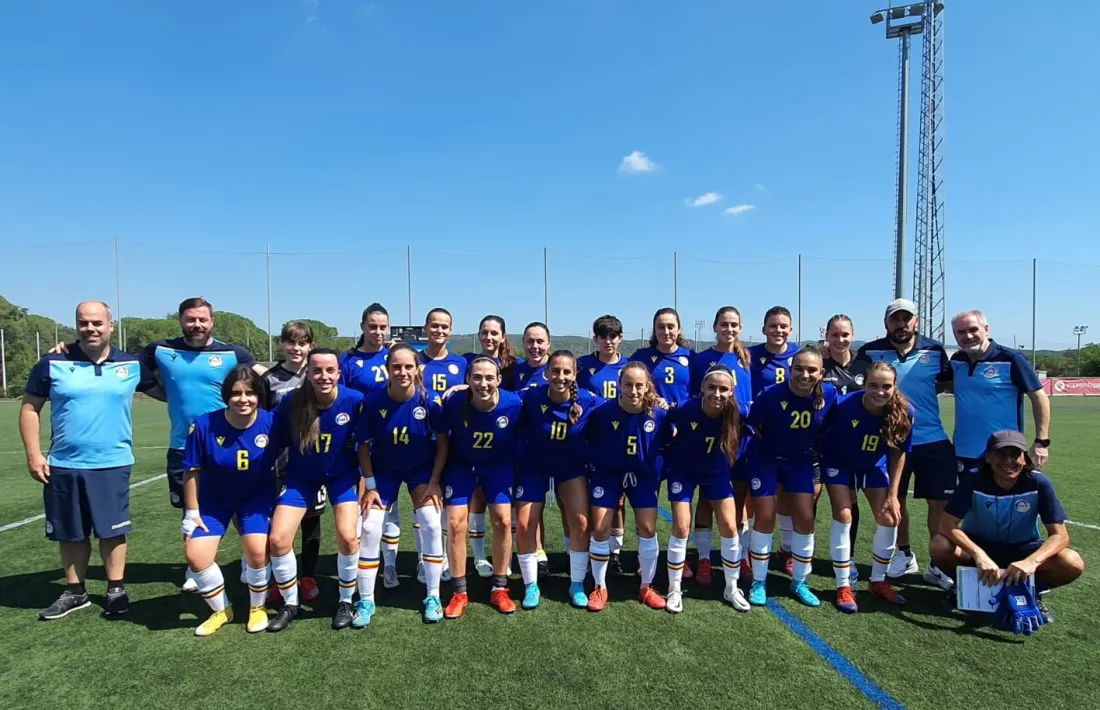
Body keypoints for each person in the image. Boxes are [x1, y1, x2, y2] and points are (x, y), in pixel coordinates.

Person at [20, 301, 157, 620]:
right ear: (76, 325)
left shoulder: (131, 364)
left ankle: (116, 589)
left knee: (112, 531)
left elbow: (171, 390)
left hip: (112, 462)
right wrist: (34, 454)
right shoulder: (52, 362)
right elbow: (29, 409)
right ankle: (75, 591)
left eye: (97, 323)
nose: (90, 328)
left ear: (111, 326)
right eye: (84, 323)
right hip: (64, 463)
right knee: (71, 531)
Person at [135, 298, 262, 592]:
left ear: (212, 322)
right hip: (183, 444)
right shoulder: (161, 350)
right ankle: (196, 568)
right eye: (191, 319)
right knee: (190, 509)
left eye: (203, 319)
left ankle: (249, 558)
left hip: (227, 445)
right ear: (180, 320)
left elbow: (263, 380)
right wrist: (69, 350)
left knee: (238, 505)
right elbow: (123, 364)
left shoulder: (233, 353)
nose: (197, 325)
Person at [853, 298, 956, 590]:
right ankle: (905, 554)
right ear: (886, 323)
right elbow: (854, 380)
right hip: (890, 441)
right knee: (894, 500)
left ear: (916, 321)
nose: (901, 324)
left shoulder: (935, 350)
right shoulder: (870, 351)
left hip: (932, 438)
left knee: (941, 504)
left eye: (906, 318)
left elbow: (946, 382)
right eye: (895, 319)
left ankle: (937, 565)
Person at [930, 430, 1084, 622]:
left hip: (1023, 549)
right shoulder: (973, 479)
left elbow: (1060, 535)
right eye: (1001, 454)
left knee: (1072, 562)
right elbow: (946, 524)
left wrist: (1031, 562)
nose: (1008, 461)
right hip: (979, 546)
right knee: (939, 545)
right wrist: (979, 555)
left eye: (1015, 454)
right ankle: (961, 588)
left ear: (1025, 458)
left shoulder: (1038, 483)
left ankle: (1032, 592)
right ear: (988, 457)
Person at [266, 349, 365, 633]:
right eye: (317, 370)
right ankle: (291, 603)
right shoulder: (292, 401)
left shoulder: (354, 400)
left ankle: (345, 600)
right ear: (307, 374)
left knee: (348, 536)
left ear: (339, 373)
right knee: (278, 539)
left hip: (341, 477)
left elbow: (368, 442)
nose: (323, 376)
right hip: (301, 478)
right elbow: (268, 431)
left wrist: (366, 482)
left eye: (329, 370)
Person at [181, 367, 281, 635]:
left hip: (256, 498)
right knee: (196, 555)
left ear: (259, 395)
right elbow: (191, 471)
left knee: (257, 551)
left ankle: (257, 608)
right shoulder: (204, 425)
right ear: (226, 395)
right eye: (236, 393)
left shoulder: (272, 422)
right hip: (215, 501)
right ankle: (221, 610)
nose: (243, 399)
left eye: (250, 393)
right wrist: (192, 512)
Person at [356, 344, 449, 625]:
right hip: (384, 470)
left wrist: (434, 482)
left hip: (421, 470)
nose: (403, 372)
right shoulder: (373, 401)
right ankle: (366, 600)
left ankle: (433, 595)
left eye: (409, 366)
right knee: (370, 526)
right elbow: (363, 445)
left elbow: (443, 444)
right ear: (387, 369)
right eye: (396, 367)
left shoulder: (429, 401)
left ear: (417, 369)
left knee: (431, 523)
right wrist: (370, 484)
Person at [744, 347, 838, 608]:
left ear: (821, 373)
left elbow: (831, 424)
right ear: (790, 369)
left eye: (811, 370)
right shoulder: (771, 395)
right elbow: (754, 424)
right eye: (799, 368)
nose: (804, 375)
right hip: (766, 459)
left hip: (800, 461)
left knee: (805, 516)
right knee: (765, 515)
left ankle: (800, 581)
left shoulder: (829, 394)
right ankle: (759, 581)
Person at [819, 362, 911, 613]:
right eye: (873, 385)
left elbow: (899, 452)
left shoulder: (905, 411)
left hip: (872, 466)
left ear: (895, 386)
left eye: (886, 386)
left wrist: (893, 494)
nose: (879, 392)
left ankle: (878, 581)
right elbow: (821, 433)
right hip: (838, 464)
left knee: (889, 517)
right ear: (863, 384)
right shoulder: (844, 405)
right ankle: (843, 585)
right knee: (844, 515)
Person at [436, 357, 522, 617]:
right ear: (467, 380)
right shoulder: (454, 402)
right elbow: (442, 440)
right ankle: (459, 592)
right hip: (461, 466)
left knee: (504, 521)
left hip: (497, 467)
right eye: (477, 377)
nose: (483, 383)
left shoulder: (514, 403)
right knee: (454, 524)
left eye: (489, 378)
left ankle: (500, 587)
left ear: (499, 380)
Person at [514, 350, 600, 610]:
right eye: (555, 371)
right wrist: (463, 388)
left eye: (566, 372)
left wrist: (657, 403)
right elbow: (501, 398)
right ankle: (530, 584)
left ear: (575, 375)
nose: (560, 376)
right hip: (534, 467)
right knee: (525, 523)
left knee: (581, 523)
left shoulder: (587, 400)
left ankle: (576, 583)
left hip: (570, 468)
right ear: (546, 372)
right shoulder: (532, 395)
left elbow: (620, 406)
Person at [664, 365, 749, 613]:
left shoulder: (738, 412)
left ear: (732, 391)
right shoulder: (685, 409)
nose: (717, 394)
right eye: (711, 387)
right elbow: (663, 422)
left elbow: (760, 421)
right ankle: (674, 588)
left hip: (716, 473)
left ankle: (731, 587)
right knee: (682, 526)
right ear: (702, 387)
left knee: (730, 526)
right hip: (683, 472)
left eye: (723, 389)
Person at [585, 362, 669, 611]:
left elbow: (666, 442)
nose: (633, 391)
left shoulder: (658, 414)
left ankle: (647, 586)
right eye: (628, 385)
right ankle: (599, 586)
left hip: (642, 477)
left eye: (639, 385)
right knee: (601, 528)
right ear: (619, 385)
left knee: (648, 527)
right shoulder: (602, 413)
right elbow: (589, 439)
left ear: (647, 386)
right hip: (608, 476)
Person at [339, 303, 408, 590]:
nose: (378, 332)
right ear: (362, 327)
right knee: (364, 507)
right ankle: (357, 565)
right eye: (373, 326)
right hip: (361, 443)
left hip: (393, 442)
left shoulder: (394, 356)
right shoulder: (348, 360)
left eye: (383, 327)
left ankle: (389, 564)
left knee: (389, 507)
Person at [689, 306, 753, 586]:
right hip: (709, 437)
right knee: (706, 497)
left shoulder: (748, 357)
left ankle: (741, 555)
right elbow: (694, 394)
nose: (729, 329)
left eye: (734, 325)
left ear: (740, 328)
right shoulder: (701, 359)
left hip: (740, 437)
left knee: (739, 499)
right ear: (714, 327)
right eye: (724, 324)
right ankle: (704, 558)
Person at [261, 321, 322, 605]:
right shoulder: (269, 379)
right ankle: (280, 579)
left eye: (302, 343)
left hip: (313, 460)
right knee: (279, 525)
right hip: (279, 462)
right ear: (282, 344)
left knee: (311, 521)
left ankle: (308, 576)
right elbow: (262, 420)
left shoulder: (318, 373)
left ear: (311, 346)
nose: (296, 348)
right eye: (291, 342)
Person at [947, 310, 1050, 474]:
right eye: (961, 332)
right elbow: (940, 386)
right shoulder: (956, 360)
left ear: (986, 329)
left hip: (1004, 449)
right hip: (964, 450)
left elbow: (1039, 398)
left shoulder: (1011, 359)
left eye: (973, 330)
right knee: (967, 491)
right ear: (954, 335)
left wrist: (1041, 442)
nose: (968, 336)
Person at [463, 315, 519, 578]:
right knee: (477, 500)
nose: (489, 337)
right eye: (484, 332)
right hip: (473, 439)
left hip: (504, 442)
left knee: (507, 508)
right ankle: (479, 556)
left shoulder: (513, 366)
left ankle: (507, 556)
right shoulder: (467, 361)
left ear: (503, 336)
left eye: (494, 333)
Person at [748, 306, 800, 575]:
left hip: (792, 438)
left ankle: (787, 550)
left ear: (791, 329)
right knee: (755, 496)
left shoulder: (800, 356)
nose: (778, 330)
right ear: (764, 329)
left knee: (788, 495)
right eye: (773, 325)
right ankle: (750, 550)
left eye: (783, 326)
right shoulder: (750, 355)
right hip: (758, 436)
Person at [578, 314, 629, 577]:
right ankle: (590, 550)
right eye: (603, 336)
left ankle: (615, 552)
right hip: (591, 439)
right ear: (595, 338)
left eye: (613, 336)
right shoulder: (583, 365)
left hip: (621, 442)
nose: (608, 341)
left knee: (619, 502)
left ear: (620, 338)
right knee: (591, 500)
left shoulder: (630, 366)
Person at [819, 314, 867, 582]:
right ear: (826, 336)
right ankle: (796, 554)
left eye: (845, 334)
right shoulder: (818, 363)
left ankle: (847, 557)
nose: (840, 339)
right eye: (835, 335)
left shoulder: (864, 364)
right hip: (818, 444)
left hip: (851, 447)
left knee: (849, 503)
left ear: (853, 335)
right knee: (807, 501)